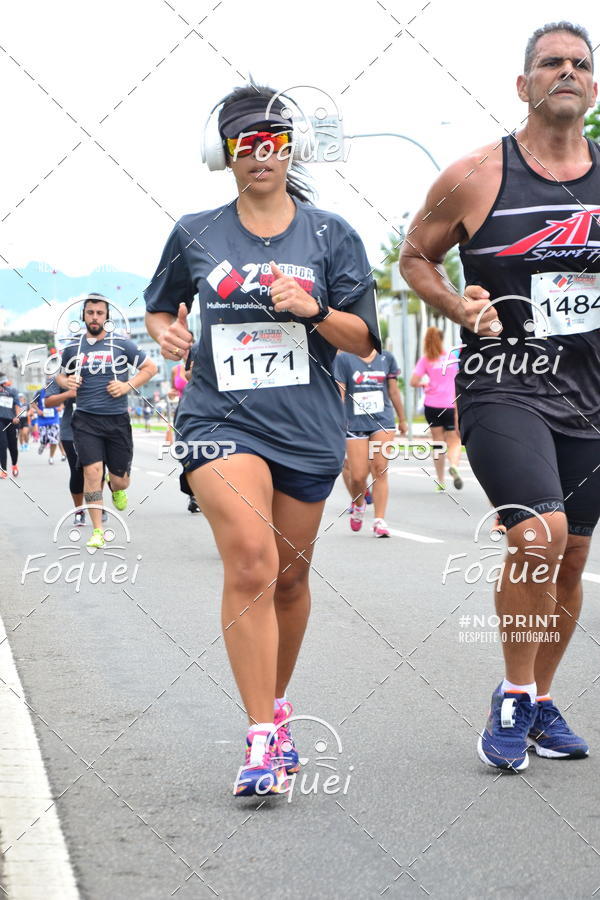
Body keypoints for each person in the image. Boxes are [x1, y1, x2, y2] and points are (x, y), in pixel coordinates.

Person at [144, 83, 380, 796]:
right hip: (220, 421)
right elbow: (159, 309)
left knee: (289, 578)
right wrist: (169, 333)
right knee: (251, 560)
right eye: (244, 143)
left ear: (290, 149)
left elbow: (364, 340)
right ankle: (258, 740)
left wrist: (314, 310)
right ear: (224, 154)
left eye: (272, 141)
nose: (259, 154)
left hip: (307, 427)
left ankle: (276, 707)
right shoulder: (196, 231)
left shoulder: (331, 235)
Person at [401, 21, 599, 770]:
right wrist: (459, 307)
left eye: (580, 63)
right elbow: (415, 258)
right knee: (539, 535)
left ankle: (541, 700)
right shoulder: (477, 174)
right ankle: (513, 696)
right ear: (523, 85)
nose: (567, 72)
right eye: (551, 63)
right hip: (503, 385)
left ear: (594, 85)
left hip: (590, 394)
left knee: (571, 556)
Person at [56, 293, 157, 548]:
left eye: (99, 313)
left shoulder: (121, 344)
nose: (94, 317)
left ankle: (116, 485)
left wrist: (126, 385)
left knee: (121, 480)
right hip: (85, 420)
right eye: (90, 313)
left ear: (107, 317)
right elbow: (59, 376)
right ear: (83, 316)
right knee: (91, 473)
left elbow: (150, 368)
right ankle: (97, 531)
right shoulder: (73, 347)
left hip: (117, 420)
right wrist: (67, 382)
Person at [335, 347, 407, 536]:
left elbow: (393, 391)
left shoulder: (387, 357)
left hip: (382, 421)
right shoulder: (344, 359)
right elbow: (340, 393)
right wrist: (336, 421)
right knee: (358, 476)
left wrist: (402, 419)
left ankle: (379, 520)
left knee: (380, 469)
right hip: (354, 422)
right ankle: (359, 504)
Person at [410, 326, 462, 492]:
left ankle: (440, 482)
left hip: (432, 406)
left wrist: (425, 384)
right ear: (442, 339)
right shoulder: (452, 357)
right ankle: (453, 465)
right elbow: (459, 380)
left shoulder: (426, 359)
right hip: (451, 405)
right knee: (454, 441)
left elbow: (413, 381)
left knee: (438, 443)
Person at [0, 374, 21, 478]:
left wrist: (17, 416)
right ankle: (3, 470)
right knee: (2, 444)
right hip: (0, 420)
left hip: (11, 421)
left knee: (13, 446)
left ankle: (14, 465)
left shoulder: (12, 391)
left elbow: (17, 405)